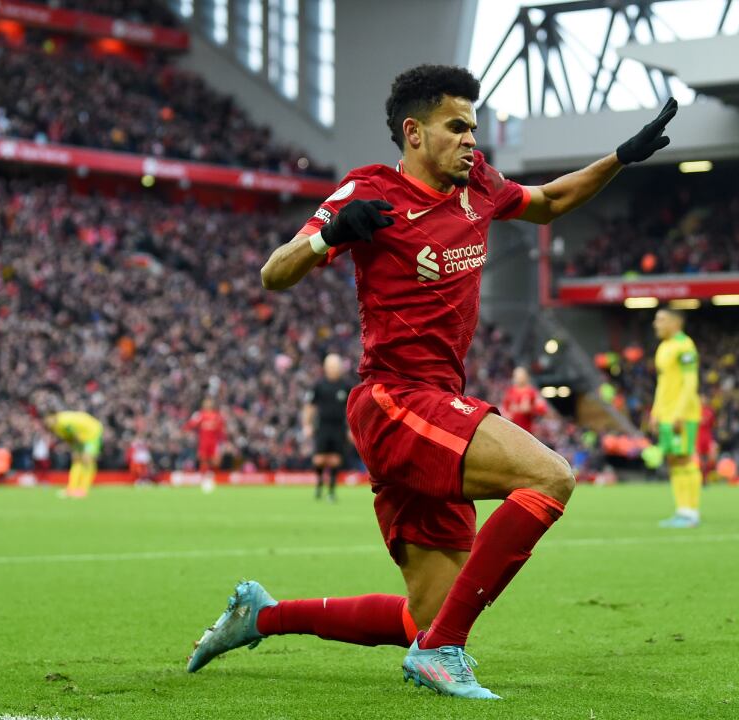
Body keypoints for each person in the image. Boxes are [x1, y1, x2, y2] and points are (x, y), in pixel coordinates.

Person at [186, 64, 678, 699]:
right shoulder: (367, 190)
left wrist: (620, 158)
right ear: (414, 133)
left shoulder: (479, 186)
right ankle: (445, 651)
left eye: (473, 126)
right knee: (550, 476)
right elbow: (273, 274)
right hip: (395, 400)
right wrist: (330, 236)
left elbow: (551, 201)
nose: (472, 139)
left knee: (425, 614)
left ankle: (264, 616)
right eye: (457, 126)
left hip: (437, 404)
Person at [649, 308, 703, 528]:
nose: (656, 323)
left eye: (661, 319)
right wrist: (655, 411)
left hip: (684, 414)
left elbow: (690, 382)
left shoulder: (685, 346)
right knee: (673, 461)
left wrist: (680, 412)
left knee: (684, 458)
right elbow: (663, 384)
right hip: (666, 415)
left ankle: (691, 513)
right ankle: (682, 510)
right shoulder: (663, 347)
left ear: (675, 323)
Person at [303, 353, 352, 502]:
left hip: (338, 427)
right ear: (325, 367)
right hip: (322, 426)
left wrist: (351, 429)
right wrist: (307, 425)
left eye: (336, 366)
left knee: (335, 459)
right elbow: (310, 406)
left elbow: (351, 410)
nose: (333, 369)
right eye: (331, 366)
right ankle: (319, 483)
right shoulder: (318, 385)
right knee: (319, 459)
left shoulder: (346, 386)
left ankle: (331, 491)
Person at [44, 410, 103, 498]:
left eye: (49, 419)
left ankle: (83, 490)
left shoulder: (63, 421)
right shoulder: (56, 427)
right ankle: (71, 489)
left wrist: (79, 447)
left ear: (54, 416)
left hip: (92, 432)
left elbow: (75, 435)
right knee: (77, 461)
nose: (48, 423)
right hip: (82, 436)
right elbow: (70, 438)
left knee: (87, 460)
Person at [500, 367, 548, 436]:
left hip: (528, 431)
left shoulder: (532, 392)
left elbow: (543, 409)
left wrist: (530, 408)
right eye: (517, 376)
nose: (519, 379)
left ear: (526, 377)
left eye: (521, 376)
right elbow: (504, 409)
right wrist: (507, 415)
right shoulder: (509, 392)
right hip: (512, 431)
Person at [183, 398, 227, 473]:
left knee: (216, 461)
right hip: (203, 442)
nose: (208, 404)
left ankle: (213, 476)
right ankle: (204, 478)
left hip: (214, 442)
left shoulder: (217, 416)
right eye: (206, 403)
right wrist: (185, 429)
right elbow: (191, 424)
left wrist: (224, 440)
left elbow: (221, 430)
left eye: (209, 403)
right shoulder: (200, 414)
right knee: (203, 460)